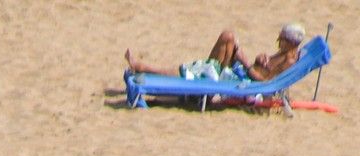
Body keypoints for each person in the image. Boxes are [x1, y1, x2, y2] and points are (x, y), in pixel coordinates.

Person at [126, 20, 305, 80]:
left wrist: (246, 63)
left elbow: (265, 82)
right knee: (228, 37)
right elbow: (265, 67)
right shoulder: (284, 53)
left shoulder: (289, 61)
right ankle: (212, 69)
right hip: (240, 73)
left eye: (281, 39)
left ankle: (142, 67)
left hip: (241, 80)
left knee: (192, 71)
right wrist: (260, 58)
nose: (278, 41)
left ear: (291, 42)